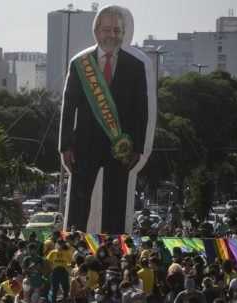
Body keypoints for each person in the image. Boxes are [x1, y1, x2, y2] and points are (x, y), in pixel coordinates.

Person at [59, 5, 150, 234]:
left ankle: (113, 253)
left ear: (123, 33)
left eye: (117, 30)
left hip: (120, 146)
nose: (112, 35)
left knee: (115, 205)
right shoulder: (81, 64)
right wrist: (65, 146)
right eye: (107, 29)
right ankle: (74, 248)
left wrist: (137, 147)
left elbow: (141, 110)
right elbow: (68, 107)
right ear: (97, 31)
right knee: (79, 205)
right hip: (84, 145)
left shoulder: (135, 66)